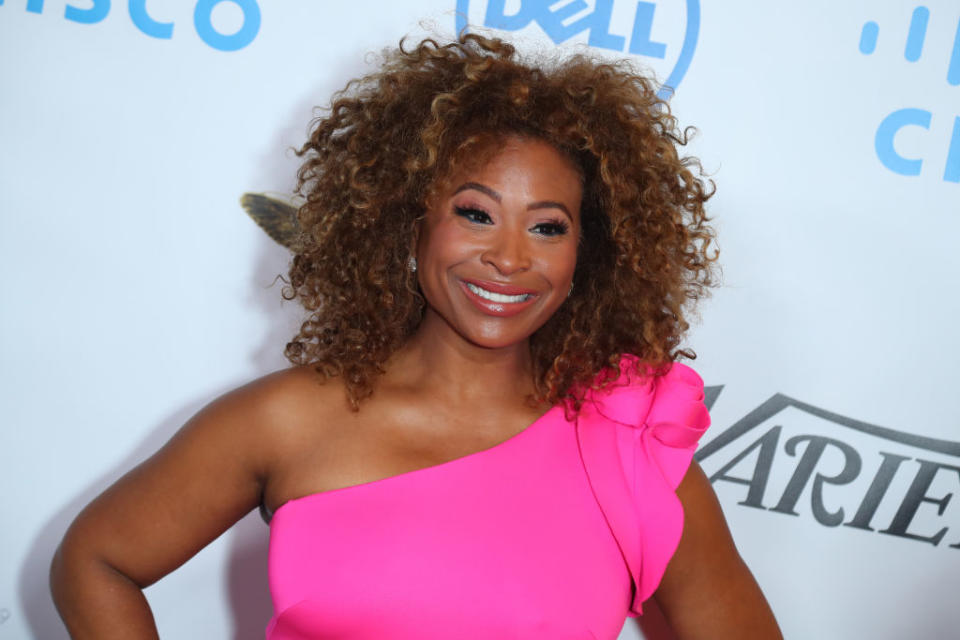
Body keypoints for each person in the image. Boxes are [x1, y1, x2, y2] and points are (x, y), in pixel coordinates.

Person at [50, 34, 782, 639]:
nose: (510, 257)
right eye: (475, 213)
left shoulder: (629, 449)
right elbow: (98, 560)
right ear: (410, 220)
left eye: (548, 227)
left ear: (588, 253)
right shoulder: (288, 419)